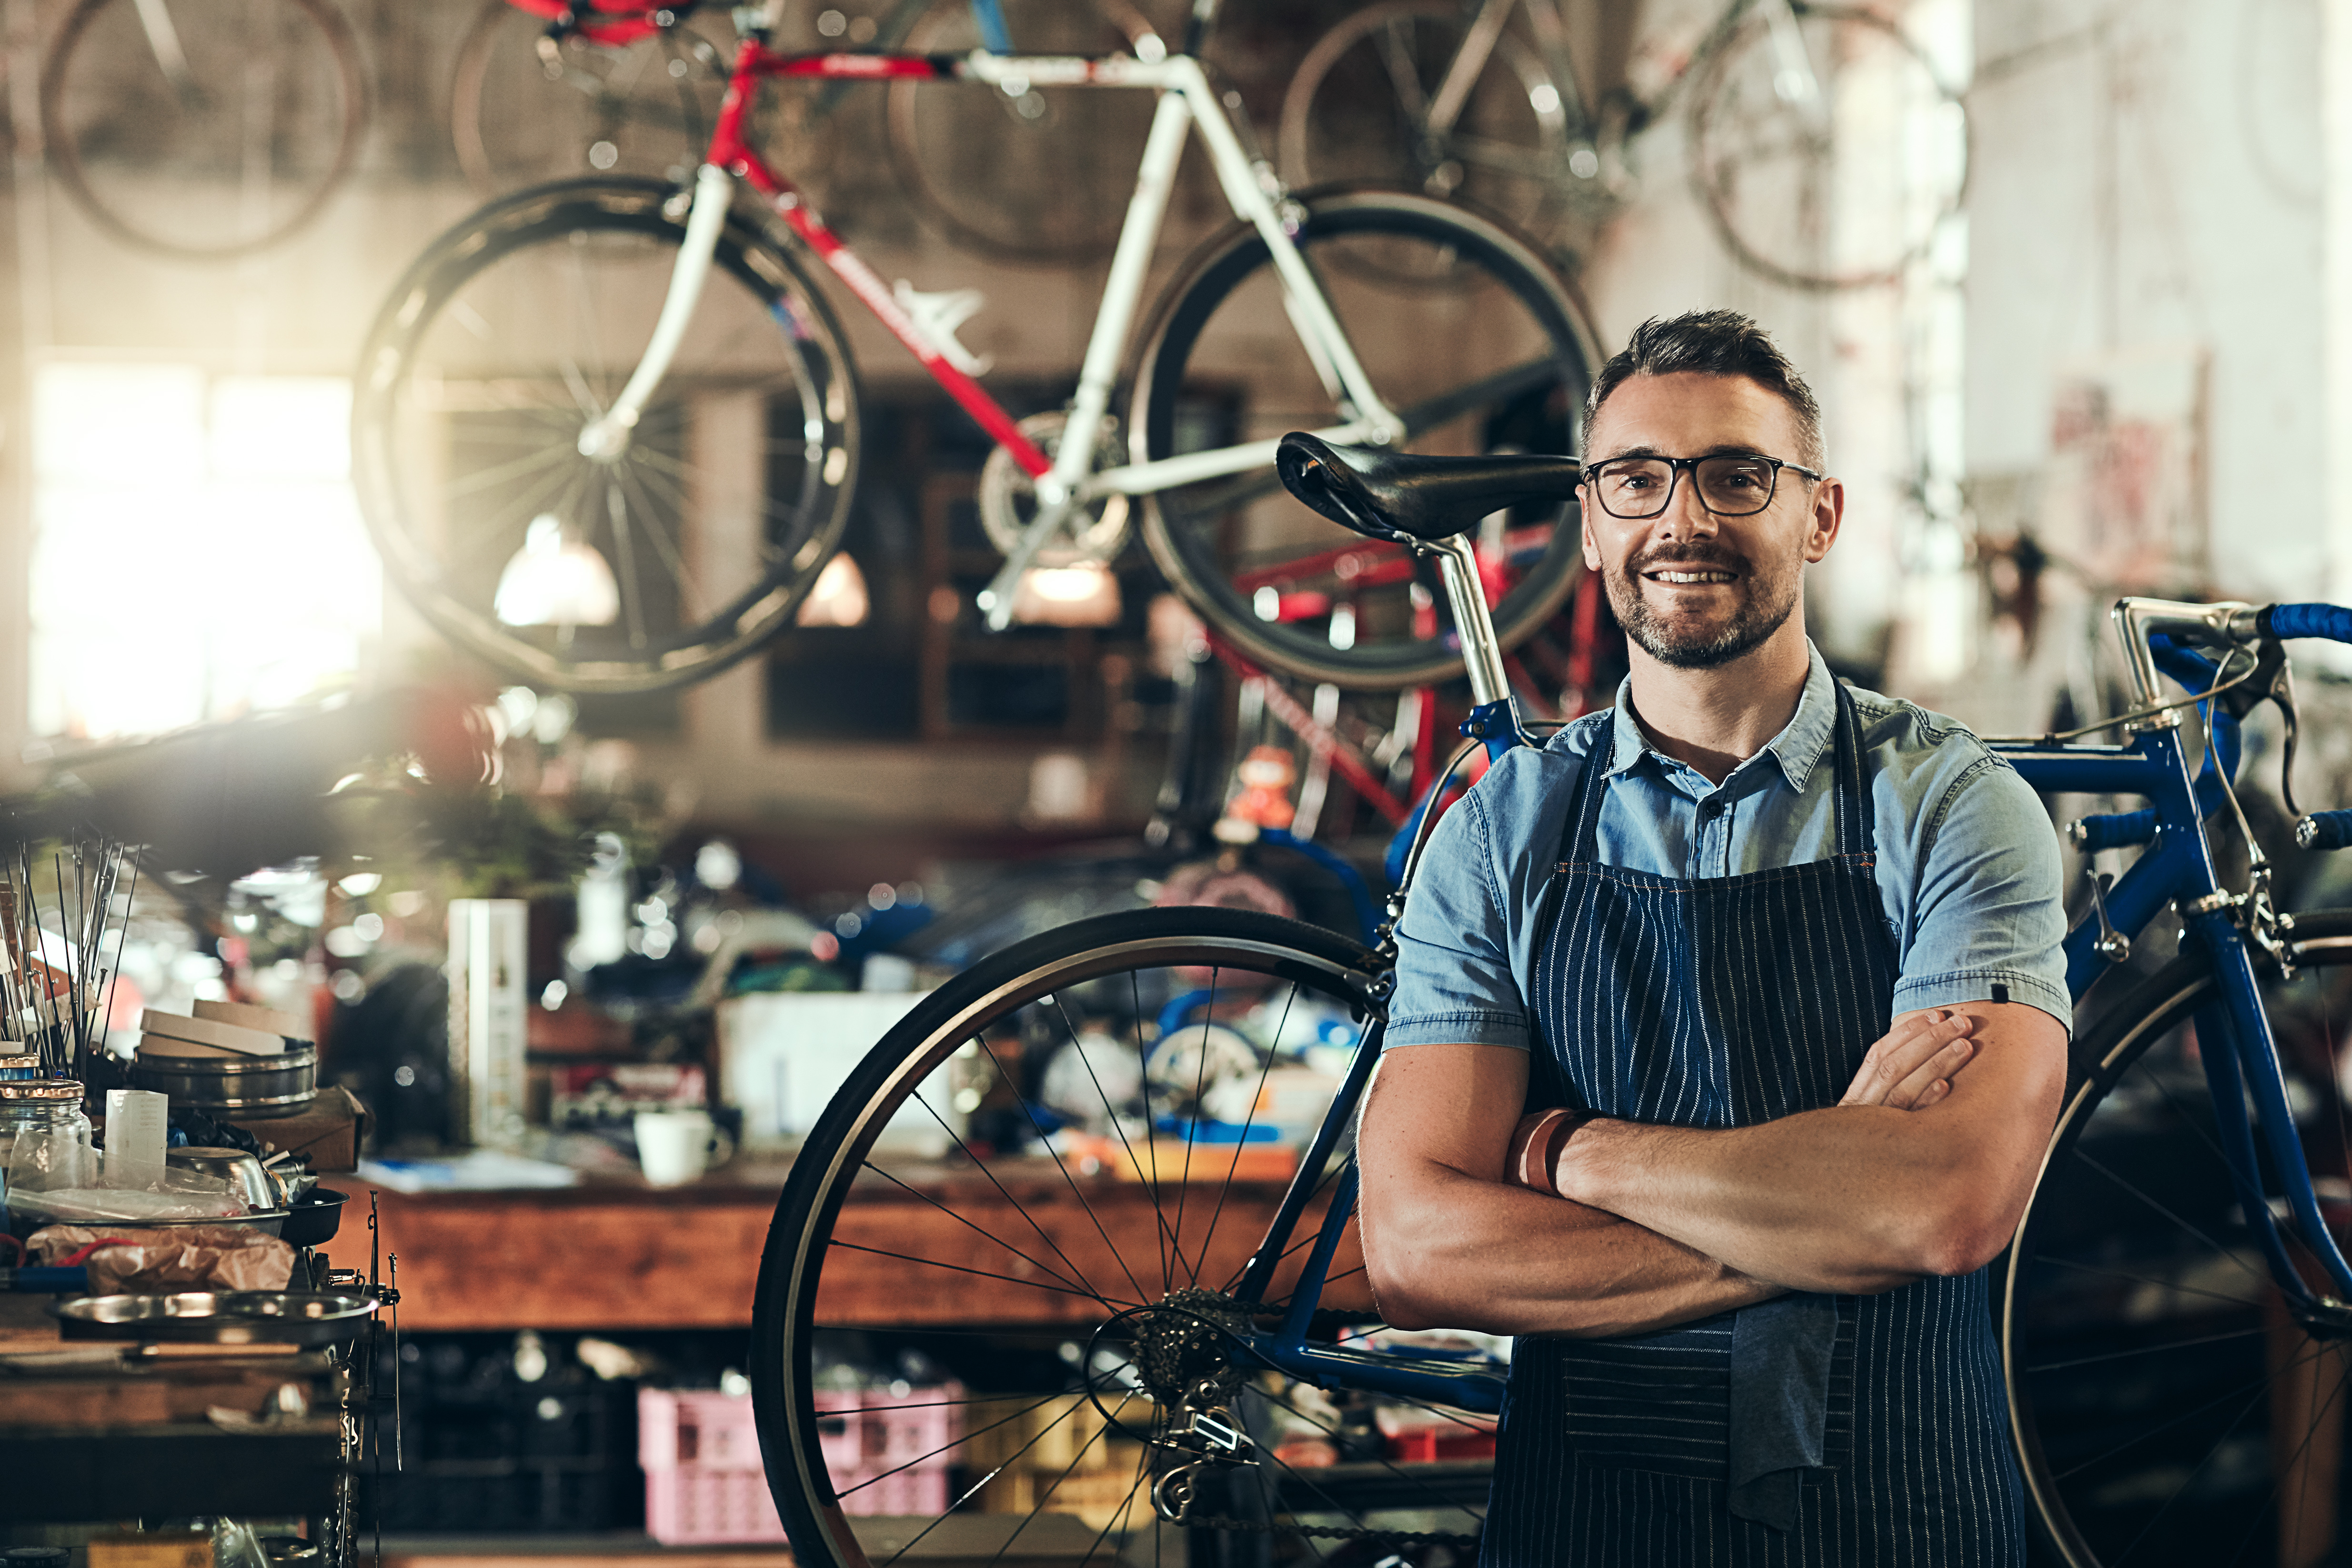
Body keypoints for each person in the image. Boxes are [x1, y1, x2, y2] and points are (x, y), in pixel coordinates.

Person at [1359, 310, 2069, 1566]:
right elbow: (1415, 1248)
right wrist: (1825, 1215)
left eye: (1736, 474)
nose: (1681, 519)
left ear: (1819, 515)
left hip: (1899, 1516)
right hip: (1590, 1529)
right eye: (1635, 478)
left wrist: (1570, 1149)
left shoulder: (1954, 808)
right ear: (1589, 525)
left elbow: (1943, 1208)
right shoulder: (1498, 835)